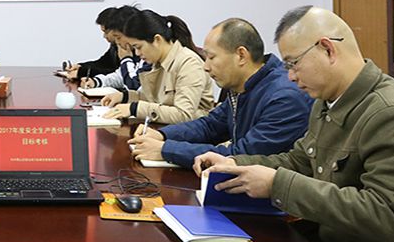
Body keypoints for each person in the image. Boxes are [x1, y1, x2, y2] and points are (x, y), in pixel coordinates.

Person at [194, 6, 394, 242]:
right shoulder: (325, 102)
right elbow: (299, 160)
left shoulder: (389, 112)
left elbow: (387, 213)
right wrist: (235, 164)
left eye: (293, 64)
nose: (290, 76)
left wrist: (278, 185)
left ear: (328, 49)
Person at [130, 18, 312, 167]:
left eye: (211, 57)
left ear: (241, 55)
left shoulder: (285, 97)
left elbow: (241, 155)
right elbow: (210, 126)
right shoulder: (243, 86)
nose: (205, 66)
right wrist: (163, 135)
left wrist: (165, 150)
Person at [102, 9, 215, 124]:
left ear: (157, 40)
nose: (137, 53)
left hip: (192, 130)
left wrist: (134, 109)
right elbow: (153, 98)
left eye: (139, 47)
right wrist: (124, 97)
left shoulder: (189, 63)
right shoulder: (159, 62)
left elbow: (183, 115)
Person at [80, 5, 149, 91]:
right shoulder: (131, 51)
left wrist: (126, 59)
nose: (117, 42)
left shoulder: (147, 56)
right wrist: (96, 81)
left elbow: (135, 87)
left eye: (118, 37)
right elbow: (120, 76)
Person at [64, 7, 120, 79]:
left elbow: (117, 74)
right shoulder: (114, 45)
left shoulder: (129, 47)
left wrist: (83, 72)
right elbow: (102, 63)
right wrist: (80, 66)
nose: (104, 36)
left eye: (106, 32)